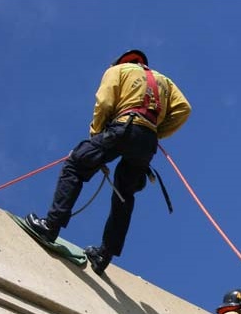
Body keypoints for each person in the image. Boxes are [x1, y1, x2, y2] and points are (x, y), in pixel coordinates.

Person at [25, 49, 191, 275]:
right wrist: (157, 131)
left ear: (123, 61)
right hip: (147, 139)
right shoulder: (165, 81)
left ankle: (50, 226)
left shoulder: (118, 70)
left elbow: (104, 102)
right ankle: (105, 254)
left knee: (76, 164)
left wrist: (96, 135)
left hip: (124, 127)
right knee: (125, 194)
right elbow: (183, 109)